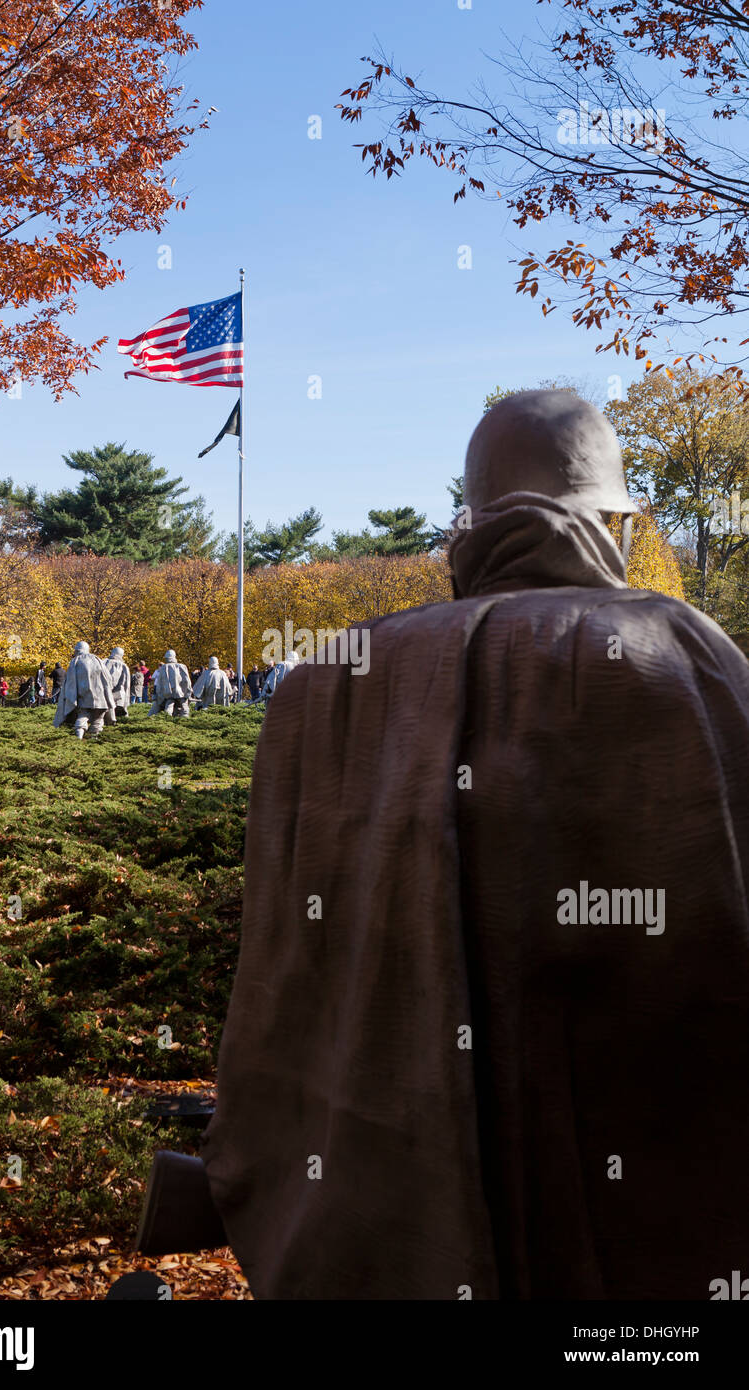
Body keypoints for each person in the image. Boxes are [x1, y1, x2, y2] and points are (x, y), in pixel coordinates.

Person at [187, 389, 749, 1300]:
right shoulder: (680, 653)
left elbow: (280, 979)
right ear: (615, 519)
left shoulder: (320, 683)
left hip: (359, 1236)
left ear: (473, 520)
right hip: (628, 1258)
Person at [53, 640, 116, 739]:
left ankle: (79, 739)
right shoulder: (98, 660)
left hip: (84, 696)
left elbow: (70, 682)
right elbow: (108, 678)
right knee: (98, 719)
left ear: (77, 650)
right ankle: (93, 740)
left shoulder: (76, 661)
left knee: (82, 716)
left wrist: (70, 697)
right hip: (101, 698)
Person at [149, 649, 192, 719]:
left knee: (169, 705)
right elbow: (187, 680)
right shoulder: (182, 666)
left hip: (168, 692)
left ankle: (167, 719)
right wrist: (188, 691)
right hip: (181, 692)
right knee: (184, 706)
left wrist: (158, 693)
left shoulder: (164, 667)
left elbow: (159, 683)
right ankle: (184, 719)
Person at [105, 646, 131, 718]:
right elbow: (125, 684)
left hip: (107, 691)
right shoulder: (121, 665)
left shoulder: (104, 662)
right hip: (117, 692)